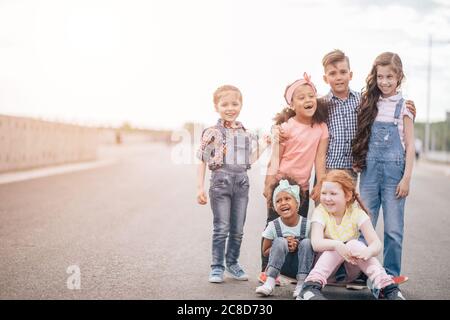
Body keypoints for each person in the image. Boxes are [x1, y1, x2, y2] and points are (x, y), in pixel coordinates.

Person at [259, 73, 329, 284]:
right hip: (281, 186)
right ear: (291, 104)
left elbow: (320, 158)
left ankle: (292, 272)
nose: (308, 100)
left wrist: (320, 183)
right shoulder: (286, 128)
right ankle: (266, 271)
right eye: (301, 97)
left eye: (311, 96)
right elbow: (275, 158)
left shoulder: (321, 128)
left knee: (299, 231)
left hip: (303, 190)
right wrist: (268, 183)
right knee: (273, 228)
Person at [196, 85, 271, 283]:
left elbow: (249, 161)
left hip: (241, 183)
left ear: (241, 105)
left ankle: (232, 263)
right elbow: (202, 160)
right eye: (225, 104)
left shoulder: (245, 133)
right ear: (216, 107)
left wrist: (264, 145)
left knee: (237, 229)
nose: (230, 108)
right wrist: (199, 187)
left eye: (235, 103)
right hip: (220, 182)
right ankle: (217, 267)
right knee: (221, 227)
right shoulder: (212, 132)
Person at [352, 52, 415, 279]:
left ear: (399, 76)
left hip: (394, 176)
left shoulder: (405, 107)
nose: (385, 81)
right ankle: (360, 274)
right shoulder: (370, 103)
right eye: (380, 76)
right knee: (364, 224)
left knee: (393, 229)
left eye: (390, 76)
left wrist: (406, 178)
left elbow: (409, 146)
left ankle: (390, 274)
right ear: (375, 77)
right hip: (369, 173)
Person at [297, 170, 405, 300]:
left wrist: (368, 251)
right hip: (324, 270)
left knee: (354, 244)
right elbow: (315, 243)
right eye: (324, 193)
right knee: (337, 245)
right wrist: (337, 245)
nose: (327, 198)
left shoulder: (356, 213)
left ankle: (388, 288)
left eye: (333, 193)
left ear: (347, 196)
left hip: (350, 270)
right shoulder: (320, 212)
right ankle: (310, 288)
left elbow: (376, 243)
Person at [255, 178, 314, 298]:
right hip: (281, 267)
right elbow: (265, 252)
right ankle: (270, 282)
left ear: (297, 202)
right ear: (275, 207)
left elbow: (315, 250)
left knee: (307, 243)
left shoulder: (308, 225)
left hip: (302, 267)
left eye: (287, 199)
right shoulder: (273, 226)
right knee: (280, 241)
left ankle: (301, 285)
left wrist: (298, 245)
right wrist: (283, 245)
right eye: (278, 201)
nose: (283, 203)